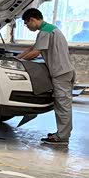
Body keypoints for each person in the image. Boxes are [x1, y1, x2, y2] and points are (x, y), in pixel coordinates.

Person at [18, 8, 76, 145]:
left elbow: (35, 53)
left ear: (32, 20)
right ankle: (62, 133)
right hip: (64, 71)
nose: (27, 27)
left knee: (62, 106)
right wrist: (16, 58)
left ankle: (62, 137)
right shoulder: (50, 29)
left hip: (61, 73)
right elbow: (32, 48)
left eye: (26, 23)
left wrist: (20, 62)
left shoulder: (45, 31)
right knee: (63, 105)